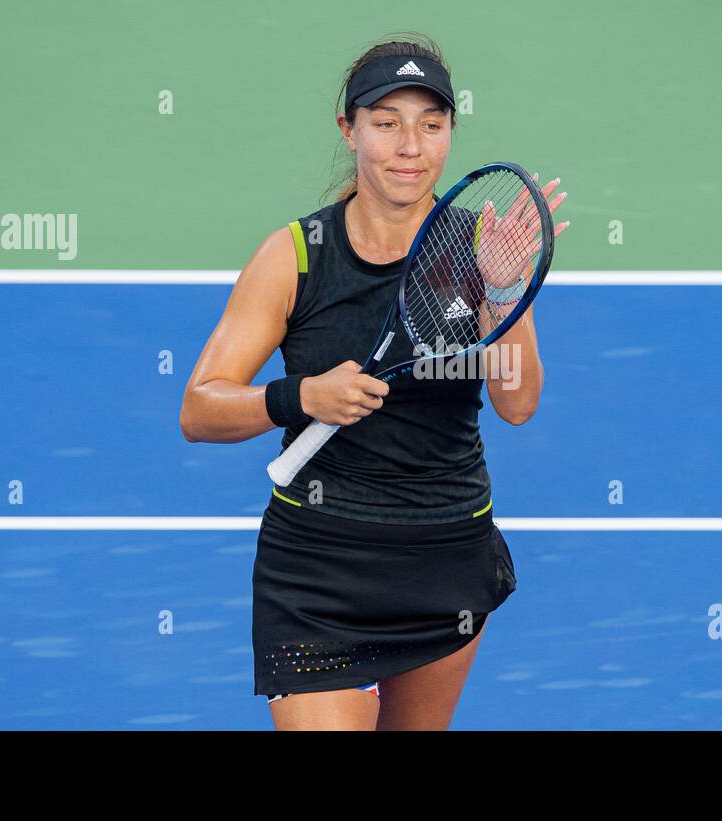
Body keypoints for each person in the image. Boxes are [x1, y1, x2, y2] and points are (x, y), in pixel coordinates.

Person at [180, 33, 569, 730]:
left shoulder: (479, 250)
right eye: (387, 123)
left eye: (431, 124)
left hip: (444, 555)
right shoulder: (295, 255)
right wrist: (299, 396)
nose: (410, 146)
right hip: (318, 572)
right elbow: (200, 408)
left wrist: (506, 289)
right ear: (349, 129)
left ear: (451, 131)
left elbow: (519, 402)